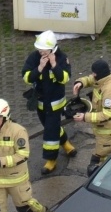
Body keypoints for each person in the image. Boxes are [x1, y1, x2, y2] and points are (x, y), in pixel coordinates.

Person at [22, 30, 73, 174]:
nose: (39, 51)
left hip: (56, 104)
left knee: (50, 130)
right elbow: (26, 77)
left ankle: (51, 160)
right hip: (40, 102)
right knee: (51, 126)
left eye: (42, 49)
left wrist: (54, 65)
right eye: (38, 48)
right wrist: (38, 69)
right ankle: (66, 144)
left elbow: (65, 78)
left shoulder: (62, 58)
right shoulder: (34, 57)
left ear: (51, 49)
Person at [72, 58, 111, 177]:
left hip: (108, 130)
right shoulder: (103, 80)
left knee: (98, 159)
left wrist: (85, 117)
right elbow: (91, 79)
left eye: (94, 73)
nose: (92, 75)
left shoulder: (109, 91)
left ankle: (99, 180)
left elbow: (106, 115)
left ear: (98, 74)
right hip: (106, 129)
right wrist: (81, 82)